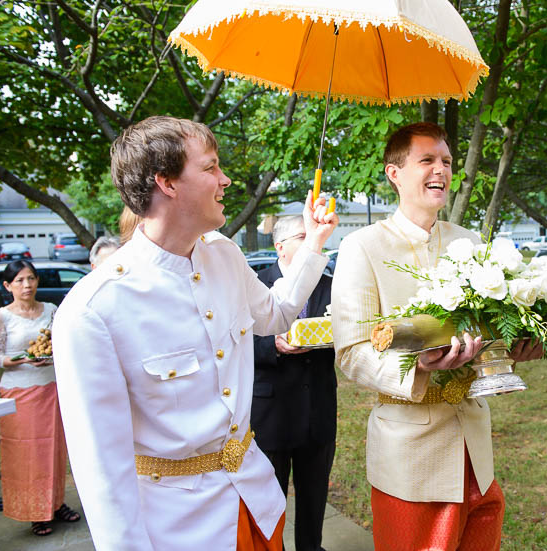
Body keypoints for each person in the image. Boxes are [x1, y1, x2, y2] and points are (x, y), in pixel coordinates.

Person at [52, 116, 337, 551]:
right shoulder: (93, 311)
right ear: (166, 182)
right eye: (210, 168)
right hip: (178, 530)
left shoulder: (223, 255)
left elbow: (276, 314)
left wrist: (314, 243)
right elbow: (101, 472)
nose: (225, 179)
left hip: (257, 504)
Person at [332, 122, 543, 551]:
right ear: (395, 173)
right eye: (426, 160)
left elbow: (486, 331)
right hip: (410, 453)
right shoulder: (362, 247)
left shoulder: (470, 243)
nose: (440, 170)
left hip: (474, 450)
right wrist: (417, 366)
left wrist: (517, 348)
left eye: (446, 161)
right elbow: (352, 352)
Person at [252, 216, 336, 551]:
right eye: (304, 236)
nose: (312, 242)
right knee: (269, 500)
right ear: (280, 246)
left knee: (314, 496)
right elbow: (236, 343)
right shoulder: (257, 284)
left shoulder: (329, 285)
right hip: (271, 412)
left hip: (317, 408)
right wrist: (272, 344)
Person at [0, 260, 81, 537]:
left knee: (54, 449)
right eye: (19, 281)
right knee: (26, 454)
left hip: (50, 386)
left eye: (30, 279)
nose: (26, 285)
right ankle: (34, 511)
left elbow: (62, 341)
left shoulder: (50, 310)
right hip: (18, 391)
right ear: (7, 286)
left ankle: (56, 502)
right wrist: (21, 360)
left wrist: (50, 355)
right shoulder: (1, 317)